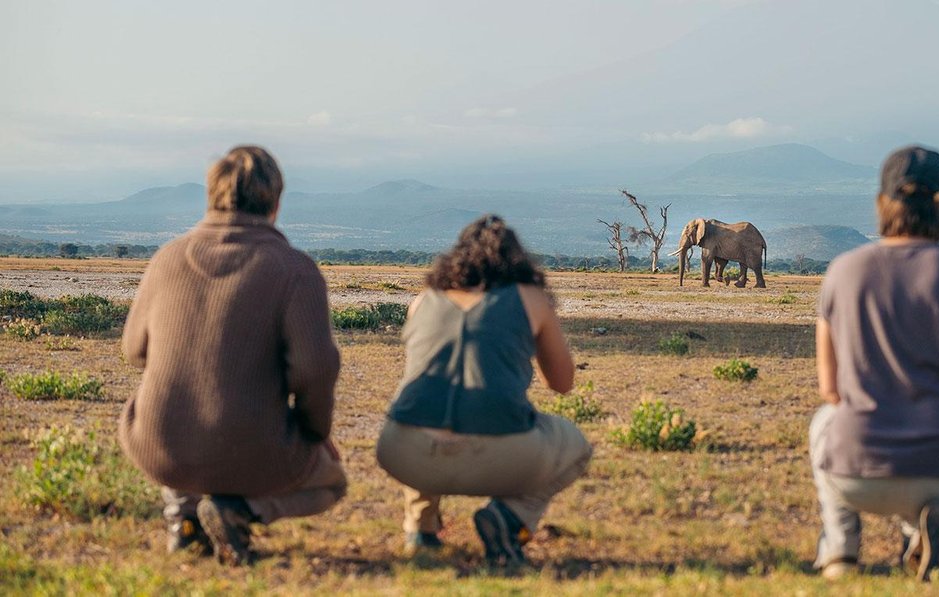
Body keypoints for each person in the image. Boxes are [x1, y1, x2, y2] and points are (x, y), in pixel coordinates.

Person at [119, 145, 346, 566]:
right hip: (256, 452)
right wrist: (314, 433)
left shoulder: (166, 258)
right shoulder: (294, 270)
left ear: (211, 196)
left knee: (176, 411)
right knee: (331, 482)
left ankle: (182, 518)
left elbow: (134, 350)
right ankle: (240, 511)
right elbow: (316, 368)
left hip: (159, 447)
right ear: (276, 203)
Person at [810, 145, 939, 581]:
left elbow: (830, 387)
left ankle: (841, 551)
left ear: (882, 203)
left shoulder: (843, 272)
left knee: (823, 419)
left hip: (858, 472)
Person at [376, 215, 592, 567]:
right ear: (517, 260)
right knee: (576, 445)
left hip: (403, 453)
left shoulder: (423, 300)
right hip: (500, 456)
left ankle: (420, 529)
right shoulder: (531, 299)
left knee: (427, 404)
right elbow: (563, 383)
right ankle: (511, 518)